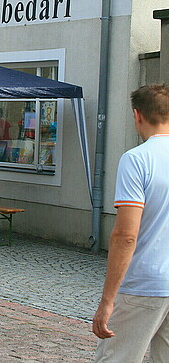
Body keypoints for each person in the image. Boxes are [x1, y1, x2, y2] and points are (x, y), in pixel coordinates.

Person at [93, 84, 169, 362]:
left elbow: (126, 234)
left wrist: (107, 300)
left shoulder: (137, 159)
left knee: (117, 358)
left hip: (145, 282)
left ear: (137, 115)